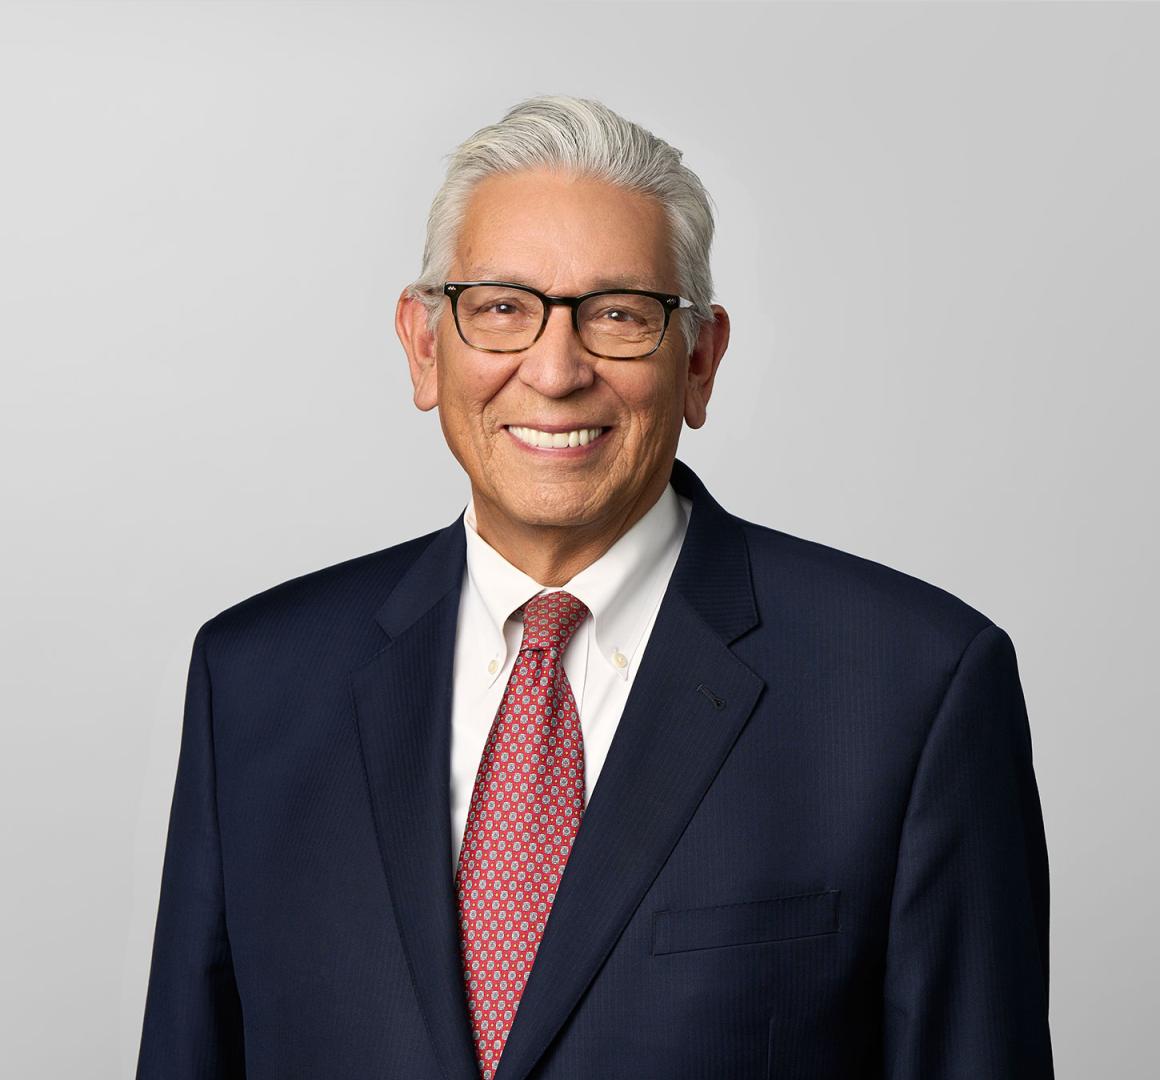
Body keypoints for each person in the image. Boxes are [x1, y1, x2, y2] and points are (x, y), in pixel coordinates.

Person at [136, 96, 1054, 1080]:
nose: (555, 369)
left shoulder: (911, 691)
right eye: (501, 307)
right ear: (424, 345)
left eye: (617, 314)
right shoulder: (254, 682)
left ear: (699, 360)